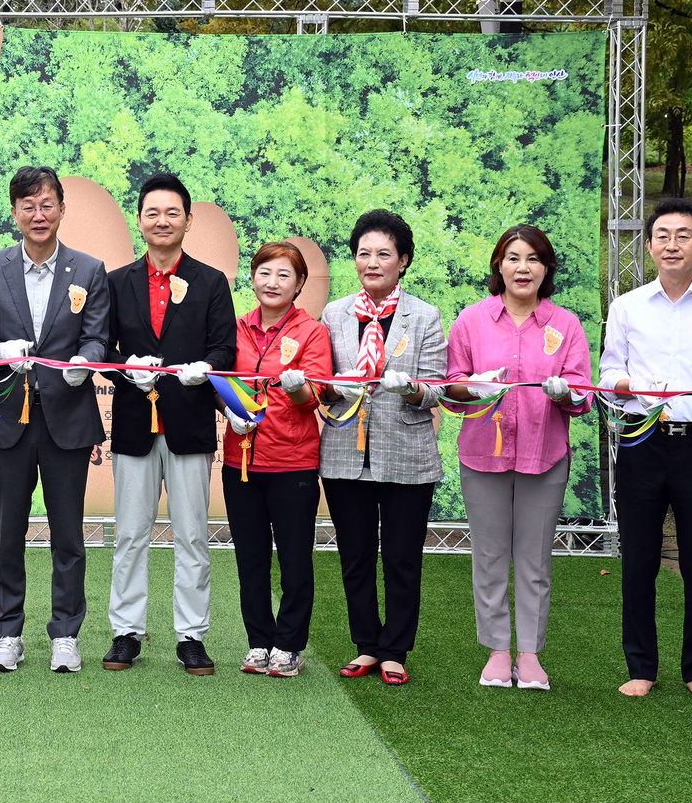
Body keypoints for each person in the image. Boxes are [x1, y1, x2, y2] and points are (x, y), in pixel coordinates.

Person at [0, 166, 113, 674]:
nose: (38, 214)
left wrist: (83, 363)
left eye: (47, 204)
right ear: (14, 213)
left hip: (67, 418)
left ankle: (66, 633)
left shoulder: (89, 270)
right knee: (7, 531)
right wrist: (0, 351)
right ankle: (7, 633)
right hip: (8, 418)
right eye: (28, 206)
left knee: (68, 534)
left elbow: (97, 337)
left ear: (62, 209)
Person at [599, 196, 692, 701]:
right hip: (642, 441)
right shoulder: (626, 307)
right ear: (648, 245)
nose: (672, 244)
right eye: (662, 235)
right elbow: (607, 374)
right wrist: (628, 384)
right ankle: (640, 666)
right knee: (638, 559)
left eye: (683, 235)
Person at [442, 225, 593, 692]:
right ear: (498, 266)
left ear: (546, 268)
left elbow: (583, 394)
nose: (522, 267)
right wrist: (475, 385)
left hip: (544, 456)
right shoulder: (472, 320)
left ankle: (529, 654)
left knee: (534, 559)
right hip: (482, 457)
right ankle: (497, 651)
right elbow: (451, 388)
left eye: (532, 259)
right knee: (488, 556)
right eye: (512, 258)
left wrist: (566, 393)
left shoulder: (565, 325)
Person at [102, 174, 235, 675]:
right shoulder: (117, 282)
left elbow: (224, 347)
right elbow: (102, 348)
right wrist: (124, 367)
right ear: (139, 219)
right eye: (152, 212)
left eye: (172, 213)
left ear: (188, 220)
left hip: (189, 423)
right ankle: (126, 632)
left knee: (193, 535)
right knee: (130, 533)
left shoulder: (211, 281)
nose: (162, 221)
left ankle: (192, 636)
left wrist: (207, 368)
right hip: (135, 425)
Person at [320, 209, 448, 686]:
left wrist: (408, 387)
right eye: (363, 253)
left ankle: (396, 648)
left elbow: (436, 389)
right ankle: (366, 644)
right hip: (343, 452)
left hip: (407, 455)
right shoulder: (334, 314)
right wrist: (335, 388)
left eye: (383, 254)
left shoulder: (425, 315)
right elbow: (320, 384)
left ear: (403, 261)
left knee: (401, 556)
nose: (371, 262)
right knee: (354, 554)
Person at [221, 241, 332, 678]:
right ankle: (258, 641)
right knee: (250, 558)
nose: (272, 282)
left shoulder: (312, 332)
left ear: (300, 284)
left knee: (294, 558)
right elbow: (221, 384)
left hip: (293, 463)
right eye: (265, 272)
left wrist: (299, 386)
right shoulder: (235, 328)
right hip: (241, 460)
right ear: (252, 277)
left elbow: (314, 399)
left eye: (284, 275)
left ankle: (289, 644)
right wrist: (228, 410)